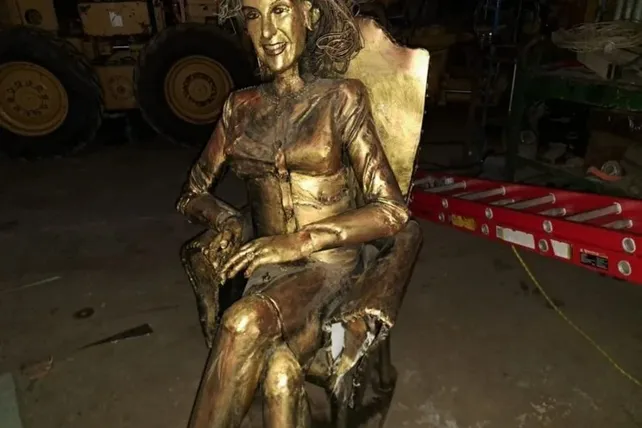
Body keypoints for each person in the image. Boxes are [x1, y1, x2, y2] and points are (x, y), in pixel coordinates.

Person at [176, 0, 410, 426]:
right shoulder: (239, 108)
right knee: (280, 372)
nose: (267, 32)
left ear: (310, 16)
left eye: (280, 10)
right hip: (269, 273)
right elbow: (192, 193)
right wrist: (226, 219)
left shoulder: (341, 97)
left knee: (242, 323)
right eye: (253, 16)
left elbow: (392, 211)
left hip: (332, 269)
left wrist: (301, 240)